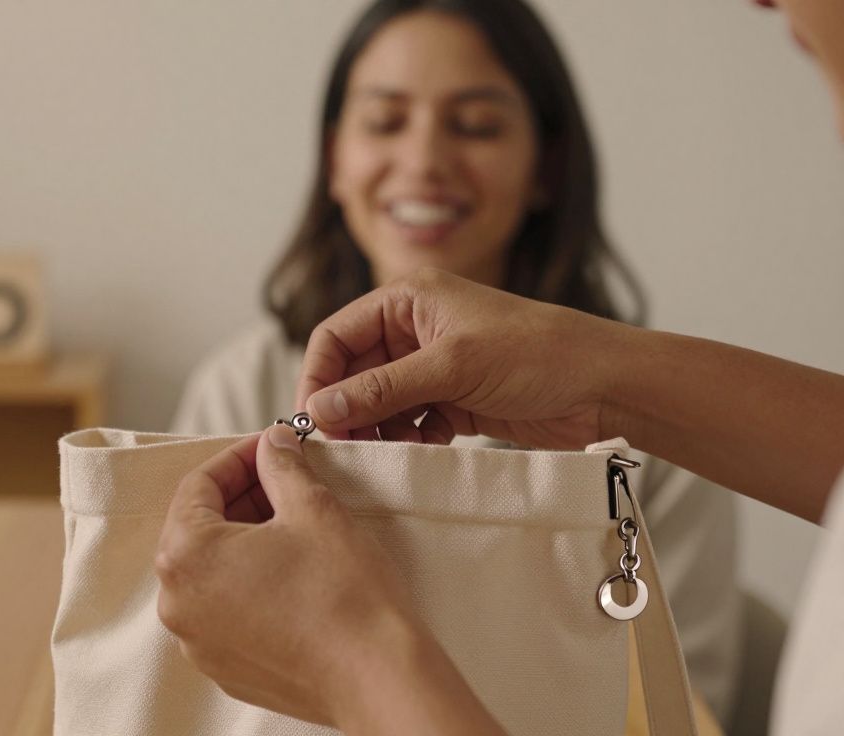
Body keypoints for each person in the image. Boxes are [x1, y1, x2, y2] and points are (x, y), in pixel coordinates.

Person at [154, 0, 844, 732]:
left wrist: (357, 662)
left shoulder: (655, 446)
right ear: (334, 160)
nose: (424, 161)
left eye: (477, 126)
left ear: (545, 167)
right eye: (385, 121)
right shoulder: (236, 387)